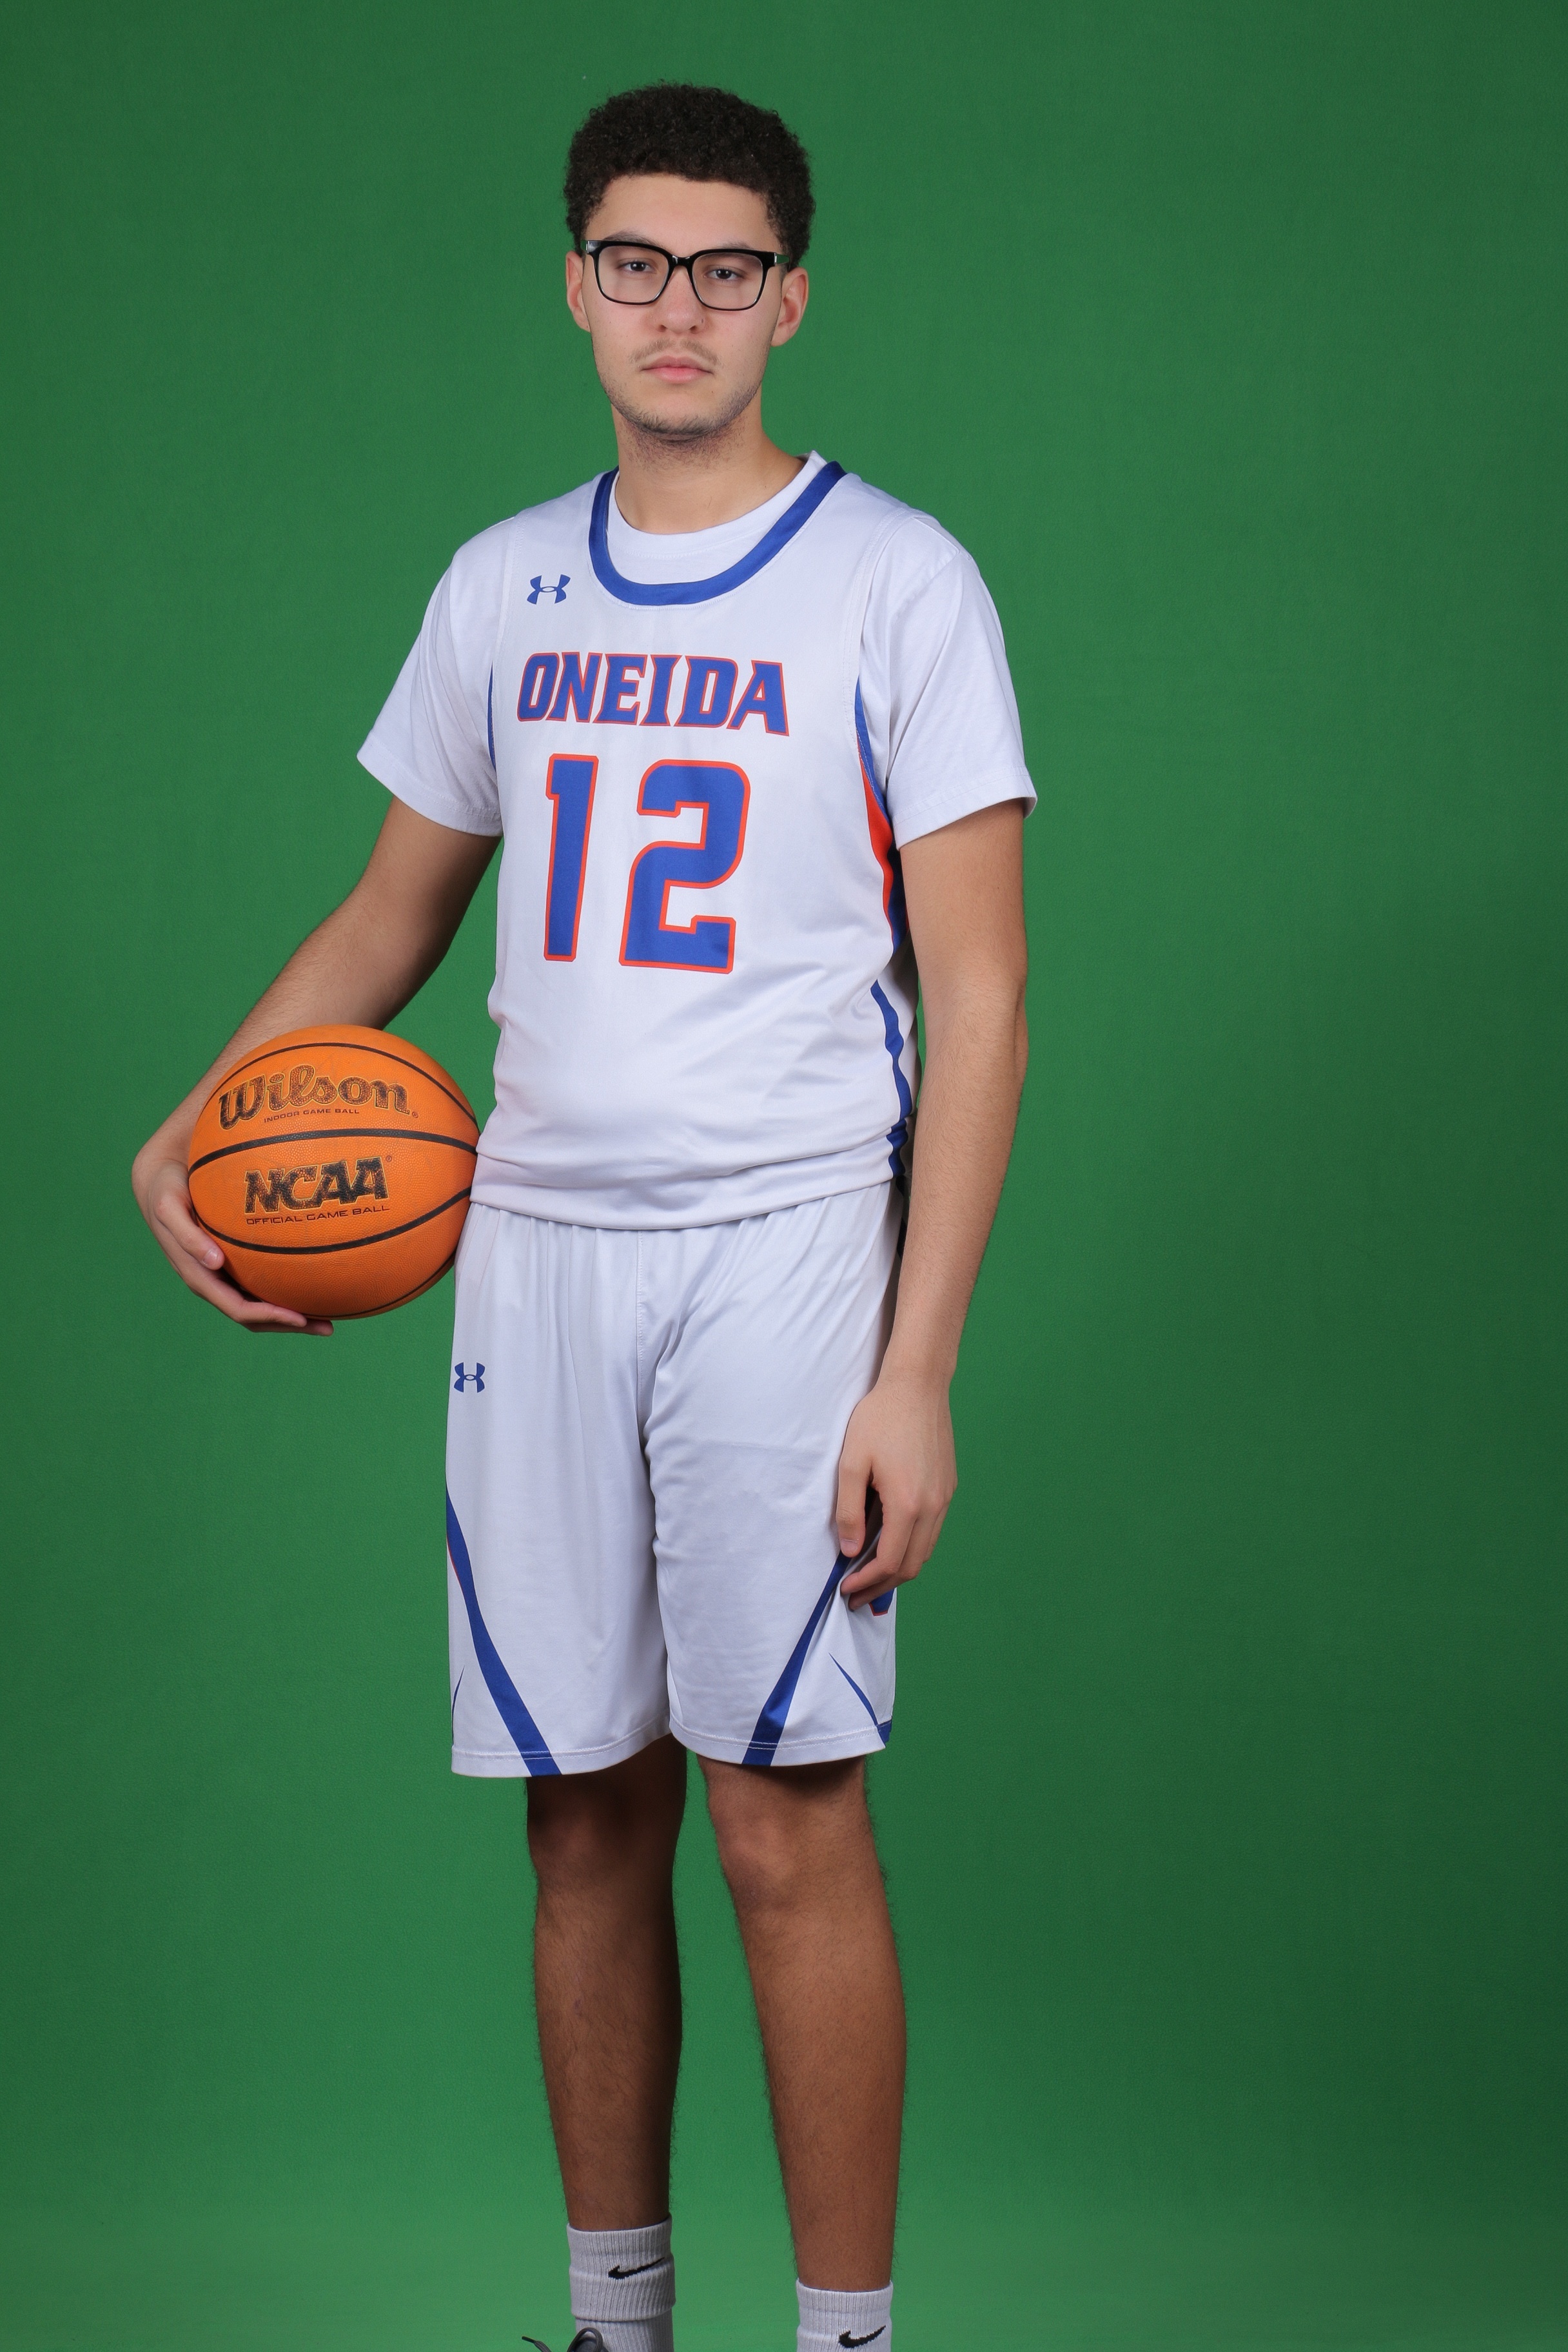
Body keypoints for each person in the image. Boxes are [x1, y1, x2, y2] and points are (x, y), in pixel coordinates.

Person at [131, 81, 1032, 2352]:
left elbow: (985, 997)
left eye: (727, 268)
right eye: (638, 262)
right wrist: (198, 1119)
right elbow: (394, 910)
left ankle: (844, 2340)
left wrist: (918, 1366)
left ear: (790, 300)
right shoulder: (500, 585)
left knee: (785, 1818)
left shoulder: (898, 580)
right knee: (579, 1815)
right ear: (576, 284)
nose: (678, 307)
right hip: (531, 1251)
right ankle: (614, 2326)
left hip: (787, 1247)